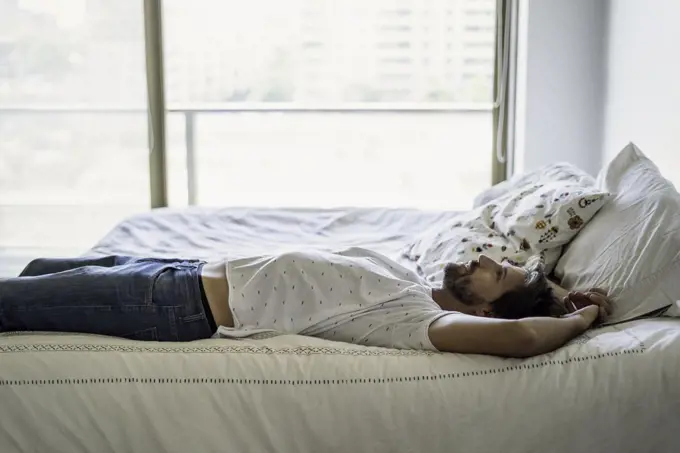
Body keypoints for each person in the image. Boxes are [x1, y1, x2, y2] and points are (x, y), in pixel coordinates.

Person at [0, 248, 611, 358]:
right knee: (30, 274)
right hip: (172, 268)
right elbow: (530, 303)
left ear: (480, 312)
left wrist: (582, 317)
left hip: (172, 303)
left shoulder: (422, 322)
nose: (481, 259)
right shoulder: (413, 276)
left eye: (492, 274)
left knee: (8, 302)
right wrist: (558, 293)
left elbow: (523, 337)